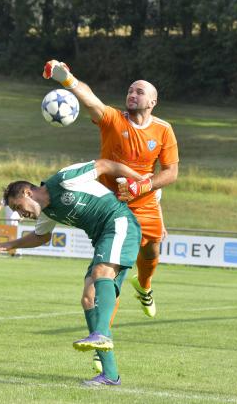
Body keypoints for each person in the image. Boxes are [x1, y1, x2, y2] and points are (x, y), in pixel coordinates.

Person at [42, 60, 179, 321]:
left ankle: (145, 287)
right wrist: (67, 79)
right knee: (111, 271)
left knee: (151, 252)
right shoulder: (113, 120)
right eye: (130, 90)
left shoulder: (163, 129)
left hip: (146, 203)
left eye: (139, 92)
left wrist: (141, 186)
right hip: (111, 206)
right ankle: (101, 333)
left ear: (152, 102)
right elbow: (91, 100)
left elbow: (171, 172)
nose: (132, 94)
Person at [0, 159, 144, 387]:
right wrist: (10, 244)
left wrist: (142, 181)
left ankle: (101, 334)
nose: (20, 214)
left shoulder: (64, 180)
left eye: (18, 206)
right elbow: (41, 237)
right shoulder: (47, 213)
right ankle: (110, 375)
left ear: (27, 192)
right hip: (102, 238)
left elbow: (104, 165)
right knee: (88, 298)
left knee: (101, 272)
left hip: (120, 223)